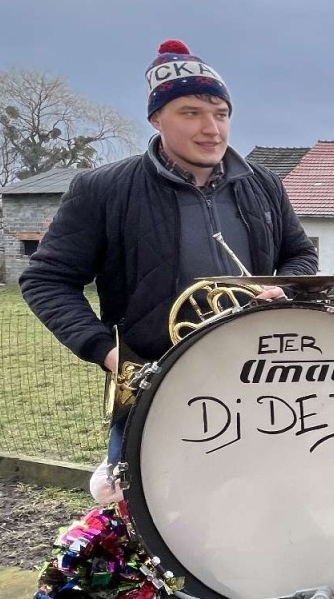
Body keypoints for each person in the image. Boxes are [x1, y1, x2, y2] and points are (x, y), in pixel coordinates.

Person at [21, 38, 318, 483]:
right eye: (191, 113)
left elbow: (300, 256)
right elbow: (46, 280)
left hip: (261, 386)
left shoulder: (264, 184)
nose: (211, 129)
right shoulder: (103, 190)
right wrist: (109, 353)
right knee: (156, 530)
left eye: (220, 114)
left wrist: (286, 286)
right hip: (155, 389)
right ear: (157, 118)